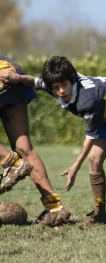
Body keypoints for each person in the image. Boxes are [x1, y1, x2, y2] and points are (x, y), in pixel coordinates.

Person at [2, 56, 106, 227]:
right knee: (94, 160)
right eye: (56, 87)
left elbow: (90, 138)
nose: (60, 91)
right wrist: (16, 78)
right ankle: (100, 214)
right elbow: (35, 81)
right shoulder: (54, 83)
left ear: (72, 80)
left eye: (64, 86)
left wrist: (74, 167)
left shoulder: (87, 99)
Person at [0, 56, 70, 226]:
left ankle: (13, 162)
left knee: (20, 156)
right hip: (10, 69)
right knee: (24, 147)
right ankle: (55, 208)